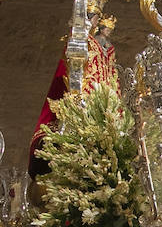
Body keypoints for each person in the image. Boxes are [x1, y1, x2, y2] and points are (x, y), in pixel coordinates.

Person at [29, 11, 119, 177]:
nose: (107, 32)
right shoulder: (84, 41)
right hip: (79, 97)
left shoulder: (103, 48)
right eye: (105, 28)